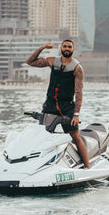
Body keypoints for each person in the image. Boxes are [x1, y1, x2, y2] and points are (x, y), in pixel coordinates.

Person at [26, 40, 90, 169]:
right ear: (61, 48)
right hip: (50, 105)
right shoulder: (52, 61)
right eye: (65, 46)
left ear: (73, 49)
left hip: (67, 107)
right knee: (42, 135)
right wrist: (42, 47)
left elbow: (79, 93)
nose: (67, 49)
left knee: (75, 136)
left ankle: (88, 167)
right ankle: (38, 165)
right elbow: (30, 61)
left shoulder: (77, 68)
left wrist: (76, 114)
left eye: (69, 47)